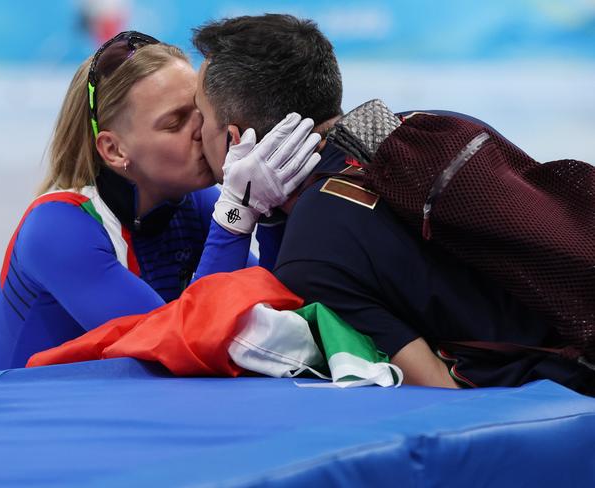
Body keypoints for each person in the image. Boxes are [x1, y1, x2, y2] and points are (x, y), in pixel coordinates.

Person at [191, 14, 595, 394]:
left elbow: (439, 386)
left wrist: (236, 215)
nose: (194, 130)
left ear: (233, 139)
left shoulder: (312, 252)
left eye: (199, 115)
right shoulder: (438, 124)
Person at [0, 31, 321, 371]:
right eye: (175, 122)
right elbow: (177, 348)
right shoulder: (58, 228)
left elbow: (278, 307)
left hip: (112, 406)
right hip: (32, 419)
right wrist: (238, 212)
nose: (201, 130)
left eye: (200, 110)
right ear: (115, 151)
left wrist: (274, 213)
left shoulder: (195, 202)